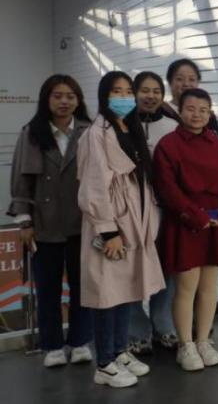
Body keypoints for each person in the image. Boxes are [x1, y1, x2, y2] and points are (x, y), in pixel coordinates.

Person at [77, 71, 165, 387]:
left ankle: (119, 350)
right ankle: (104, 363)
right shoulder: (96, 134)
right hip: (112, 225)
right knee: (107, 295)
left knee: (127, 292)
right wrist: (108, 231)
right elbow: (93, 186)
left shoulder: (130, 128)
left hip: (135, 223)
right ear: (104, 95)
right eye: (117, 91)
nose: (124, 97)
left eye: (128, 91)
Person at [8, 75, 93, 368]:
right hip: (45, 224)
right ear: (47, 99)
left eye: (70, 96)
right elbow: (21, 180)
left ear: (78, 100)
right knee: (47, 290)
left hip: (83, 223)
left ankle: (80, 341)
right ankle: (52, 345)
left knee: (83, 288)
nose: (64, 101)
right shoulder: (32, 132)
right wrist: (24, 222)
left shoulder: (89, 131)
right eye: (57, 96)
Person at [153, 88, 218, 371]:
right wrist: (195, 216)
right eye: (190, 109)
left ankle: (203, 340)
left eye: (203, 109)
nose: (197, 115)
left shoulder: (217, 142)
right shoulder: (168, 144)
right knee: (186, 288)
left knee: (209, 287)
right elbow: (167, 188)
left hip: (215, 223)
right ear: (179, 110)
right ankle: (185, 345)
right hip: (184, 222)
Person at [128, 71, 180, 354]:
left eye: (156, 91)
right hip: (131, 210)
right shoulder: (122, 125)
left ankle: (163, 323)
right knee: (132, 269)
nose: (150, 96)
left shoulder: (173, 126)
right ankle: (137, 329)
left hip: (165, 209)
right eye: (144, 90)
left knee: (166, 266)